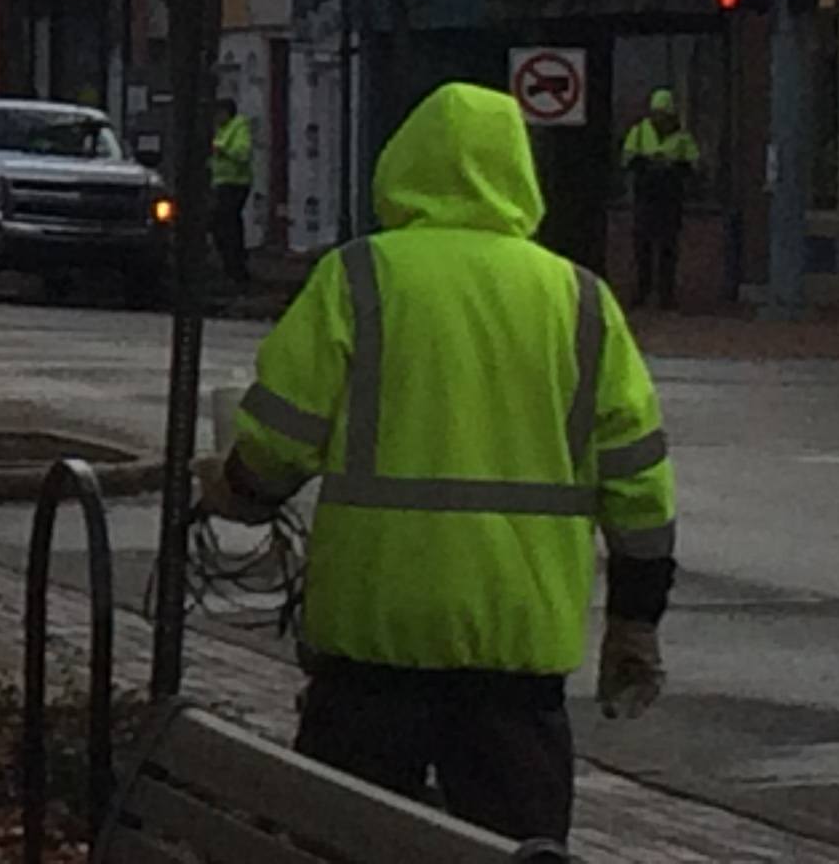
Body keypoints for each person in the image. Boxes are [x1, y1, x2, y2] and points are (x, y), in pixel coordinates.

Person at [196, 82, 674, 848]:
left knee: (344, 843)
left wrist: (240, 490)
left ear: (403, 165)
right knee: (516, 848)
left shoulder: (359, 277)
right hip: (517, 659)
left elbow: (280, 439)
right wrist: (635, 620)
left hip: (371, 647)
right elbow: (639, 481)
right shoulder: (581, 300)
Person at [618, 86, 701, 311]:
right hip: (645, 197)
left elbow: (694, 165)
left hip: (670, 199)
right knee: (642, 247)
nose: (660, 118)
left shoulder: (682, 137)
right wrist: (647, 164)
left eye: (664, 114)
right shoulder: (639, 132)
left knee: (668, 248)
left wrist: (672, 167)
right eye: (656, 113)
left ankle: (666, 294)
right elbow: (627, 160)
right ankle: (642, 290)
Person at [209, 95, 256, 287]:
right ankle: (231, 265)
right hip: (221, 183)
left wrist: (221, 150)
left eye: (218, 113)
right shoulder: (221, 130)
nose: (216, 118)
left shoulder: (239, 127)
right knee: (220, 224)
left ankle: (236, 266)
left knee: (227, 225)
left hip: (236, 183)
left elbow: (243, 153)